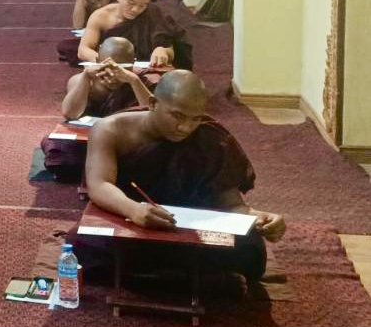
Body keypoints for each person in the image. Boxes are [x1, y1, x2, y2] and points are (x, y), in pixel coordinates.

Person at [83, 70, 284, 281]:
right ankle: (195, 279)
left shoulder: (210, 138)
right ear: (153, 103)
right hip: (132, 222)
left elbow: (231, 204)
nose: (185, 128)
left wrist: (259, 218)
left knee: (251, 249)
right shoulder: (111, 130)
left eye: (195, 118)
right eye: (177, 116)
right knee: (87, 246)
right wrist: (133, 210)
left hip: (190, 228)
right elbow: (99, 184)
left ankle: (156, 278)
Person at [40, 37, 152, 182]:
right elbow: (70, 113)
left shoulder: (141, 80)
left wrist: (134, 81)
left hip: (125, 141)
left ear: (133, 63)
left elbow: (153, 114)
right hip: (88, 141)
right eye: (107, 68)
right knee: (57, 146)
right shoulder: (82, 79)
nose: (113, 75)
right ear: (98, 61)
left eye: (121, 68)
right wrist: (86, 78)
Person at [77, 0, 187, 68]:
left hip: (145, 67)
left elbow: (170, 50)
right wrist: (105, 60)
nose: (135, 10)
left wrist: (163, 51)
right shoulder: (101, 16)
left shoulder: (152, 14)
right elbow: (83, 50)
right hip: (109, 67)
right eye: (131, 3)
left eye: (142, 5)